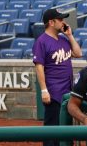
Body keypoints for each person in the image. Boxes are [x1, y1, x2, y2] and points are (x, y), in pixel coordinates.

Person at [32, 8, 82, 146]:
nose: (63, 22)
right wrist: (44, 90)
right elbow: (39, 66)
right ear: (51, 22)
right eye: (60, 19)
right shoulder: (42, 41)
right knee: (52, 129)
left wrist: (70, 35)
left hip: (67, 91)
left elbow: (78, 53)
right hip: (53, 92)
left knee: (65, 128)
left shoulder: (63, 40)